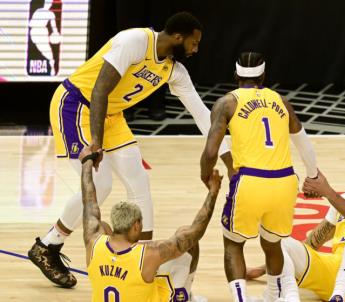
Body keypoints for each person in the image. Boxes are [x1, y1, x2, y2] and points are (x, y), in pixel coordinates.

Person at [28, 11, 233, 288]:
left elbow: (202, 116)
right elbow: (100, 89)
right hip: (76, 106)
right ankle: (47, 245)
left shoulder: (174, 71)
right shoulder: (135, 41)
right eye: (193, 43)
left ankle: (142, 257)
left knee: (139, 181)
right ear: (177, 37)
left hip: (111, 115)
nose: (196, 49)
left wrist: (231, 162)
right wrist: (96, 142)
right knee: (100, 184)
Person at [200, 52, 318, 302]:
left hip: (250, 181)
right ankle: (274, 296)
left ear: (235, 76)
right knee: (273, 243)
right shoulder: (282, 101)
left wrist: (205, 174)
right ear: (264, 76)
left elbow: (211, 151)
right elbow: (304, 143)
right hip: (286, 182)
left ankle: (242, 300)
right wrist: (313, 174)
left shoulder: (226, 103)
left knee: (233, 243)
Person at [247, 147, 345, 302]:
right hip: (335, 272)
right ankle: (282, 298)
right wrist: (261, 270)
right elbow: (313, 242)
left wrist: (327, 191)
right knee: (283, 242)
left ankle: (339, 294)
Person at [79, 145, 223, 301]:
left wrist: (87, 162)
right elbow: (196, 231)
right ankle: (185, 297)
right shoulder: (148, 254)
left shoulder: (93, 242)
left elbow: (89, 202)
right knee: (188, 240)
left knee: (102, 225)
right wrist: (213, 192)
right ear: (135, 225)